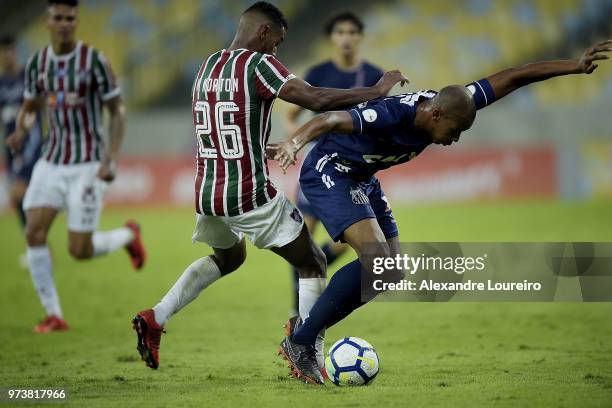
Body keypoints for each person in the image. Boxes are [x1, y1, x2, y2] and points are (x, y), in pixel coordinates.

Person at [270, 40, 612, 384]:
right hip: (332, 170)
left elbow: (514, 76)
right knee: (375, 261)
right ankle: (301, 340)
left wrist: (574, 65)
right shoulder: (390, 115)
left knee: (389, 271)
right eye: (454, 130)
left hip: (363, 177)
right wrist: (292, 144)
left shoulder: (454, 102)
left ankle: (306, 331)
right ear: (435, 115)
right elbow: (329, 119)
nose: (455, 139)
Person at [131, 1, 407, 383]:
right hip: (247, 193)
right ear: (263, 33)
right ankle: (307, 353)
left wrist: (267, 147)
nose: (276, 50)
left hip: (207, 191)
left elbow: (218, 128)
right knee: (313, 261)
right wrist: (376, 90)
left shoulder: (207, 66)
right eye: (277, 42)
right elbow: (315, 99)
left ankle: (156, 316)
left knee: (229, 259)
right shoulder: (258, 64)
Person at [6, 0, 146, 334]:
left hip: (87, 164)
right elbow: (29, 105)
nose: (65, 23)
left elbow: (118, 110)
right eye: (59, 17)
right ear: (47, 20)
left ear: (76, 20)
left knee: (78, 250)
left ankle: (129, 234)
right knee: (33, 231)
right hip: (51, 160)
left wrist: (110, 157)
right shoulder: (38, 63)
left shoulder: (94, 61)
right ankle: (54, 314)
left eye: (71, 18)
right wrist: (22, 130)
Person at [284, 11, 383, 316]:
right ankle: (298, 312)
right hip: (320, 166)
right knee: (301, 239)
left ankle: (323, 262)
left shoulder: (374, 77)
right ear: (332, 38)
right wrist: (306, 142)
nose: (346, 37)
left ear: (359, 37)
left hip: (357, 170)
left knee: (353, 240)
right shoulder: (317, 74)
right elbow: (290, 118)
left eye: (352, 32)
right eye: (340, 32)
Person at [0, 35, 43, 267]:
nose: (7, 55)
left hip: (30, 144)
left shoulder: (28, 76)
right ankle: (38, 247)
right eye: (3, 51)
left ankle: (36, 248)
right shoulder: (1, 83)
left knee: (19, 195)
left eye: (10, 50)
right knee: (21, 199)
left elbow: (39, 108)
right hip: (12, 148)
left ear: (16, 51)